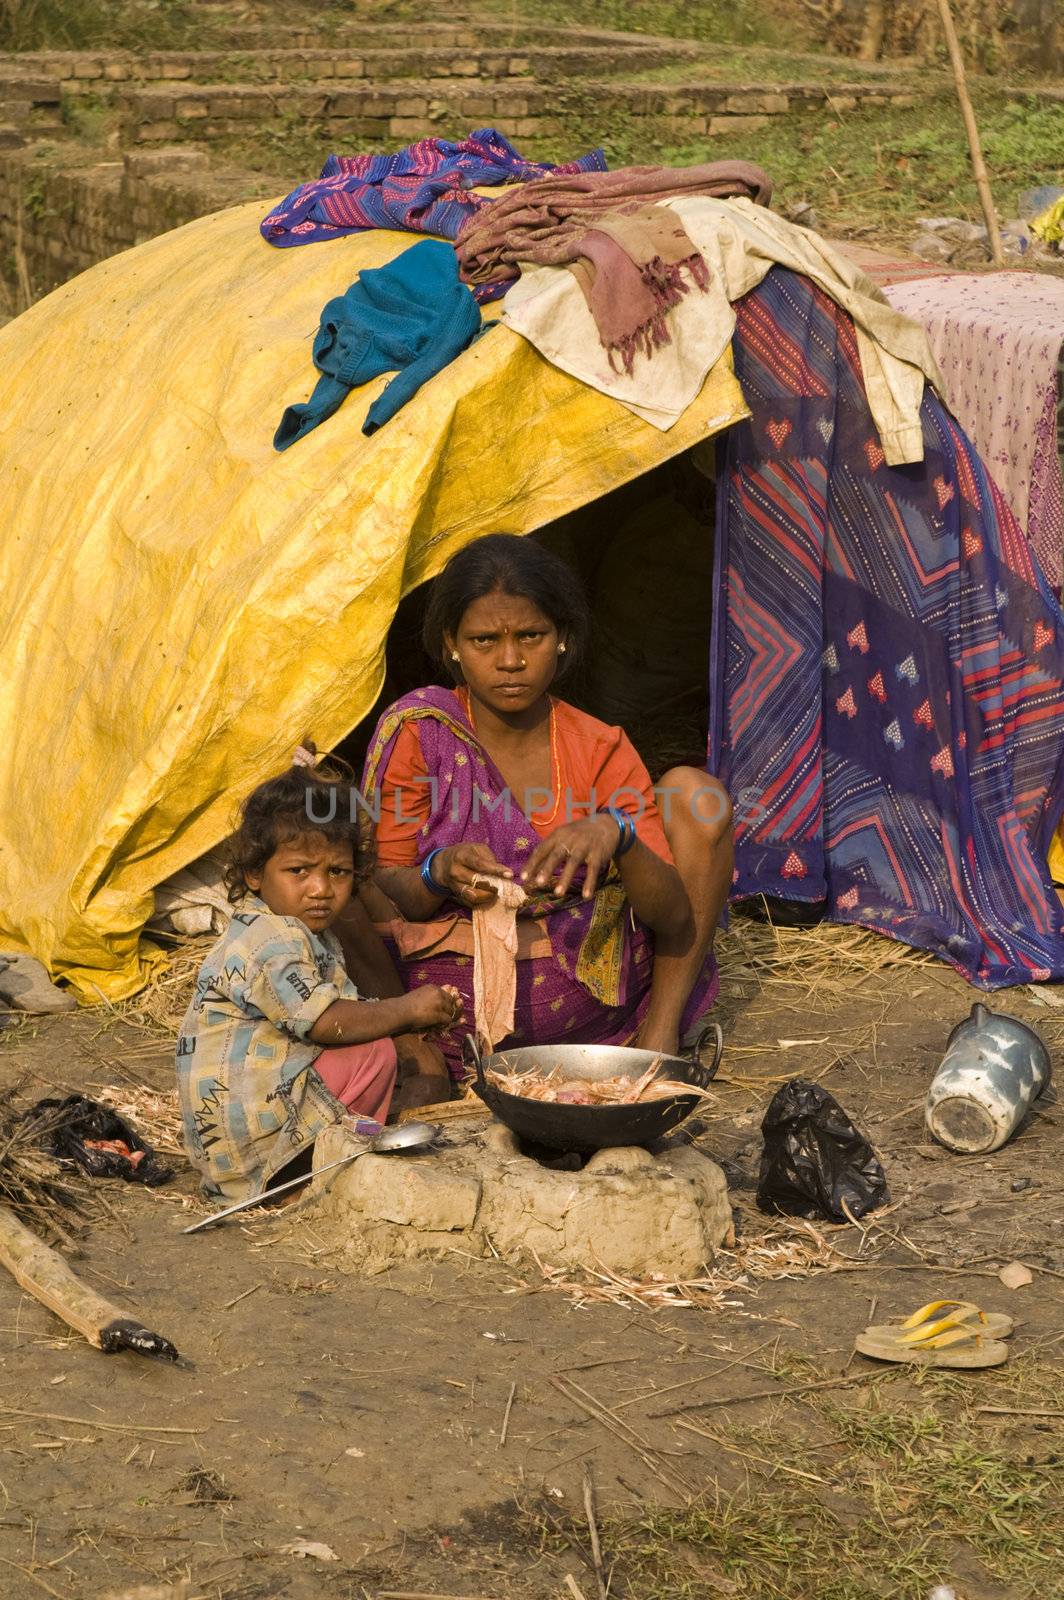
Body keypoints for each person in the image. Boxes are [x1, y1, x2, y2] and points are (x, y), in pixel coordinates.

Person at [360, 534, 732, 1077]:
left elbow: (675, 916)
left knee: (698, 796)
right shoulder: (422, 732)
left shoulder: (598, 747)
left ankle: (658, 1033)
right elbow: (389, 891)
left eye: (530, 636)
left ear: (561, 639)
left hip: (596, 1024)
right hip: (442, 1014)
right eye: (485, 640)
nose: (510, 661)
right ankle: (417, 1057)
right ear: (452, 646)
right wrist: (437, 871)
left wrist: (619, 835)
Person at [177, 754, 462, 1202]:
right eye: (298, 871)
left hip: (235, 1152)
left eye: (338, 872)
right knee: (375, 1055)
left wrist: (406, 1018)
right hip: (254, 1154)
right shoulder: (274, 938)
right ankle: (309, 1175)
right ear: (254, 874)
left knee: (376, 1043)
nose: (321, 889)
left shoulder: (295, 930)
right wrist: (405, 1010)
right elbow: (327, 1022)